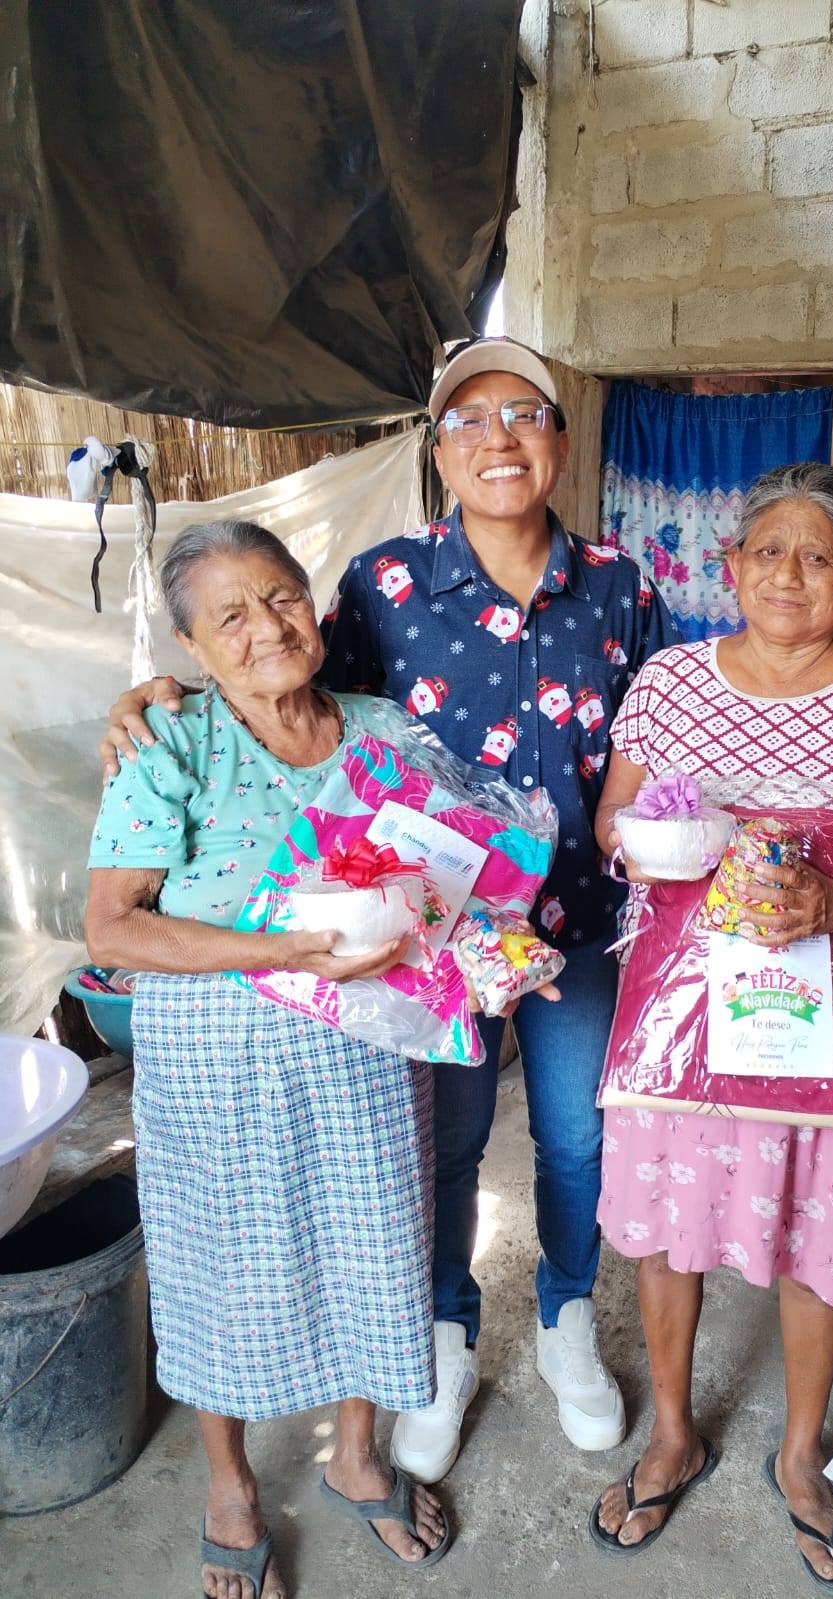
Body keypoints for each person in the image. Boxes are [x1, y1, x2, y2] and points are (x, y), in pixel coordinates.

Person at [97, 338, 678, 1484]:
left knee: (575, 1138)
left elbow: (665, 723)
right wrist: (157, 692)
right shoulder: (386, 583)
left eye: (525, 414)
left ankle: (565, 1318)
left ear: (560, 439)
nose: (499, 439)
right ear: (439, 452)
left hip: (571, 923)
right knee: (443, 1147)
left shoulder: (623, 586)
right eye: (470, 420)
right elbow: (284, 676)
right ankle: (445, 1334)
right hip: (424, 945)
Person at [588, 464, 833, 1588]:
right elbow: (613, 822)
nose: (789, 576)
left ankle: (801, 1457)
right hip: (677, 1023)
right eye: (768, 552)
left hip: (824, 1029)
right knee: (668, 1232)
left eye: (818, 558)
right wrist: (669, 844)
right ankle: (673, 1433)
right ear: (731, 564)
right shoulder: (670, 682)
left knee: (818, 1236)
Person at [85, 521, 451, 1599]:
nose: (266, 628)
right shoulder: (172, 743)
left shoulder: (383, 730)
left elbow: (444, 879)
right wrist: (283, 951)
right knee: (219, 1267)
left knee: (375, 1245)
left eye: (281, 596)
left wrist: (491, 950)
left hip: (368, 1046)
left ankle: (355, 1455)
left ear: (314, 601)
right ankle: (230, 1484)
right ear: (193, 647)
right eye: (230, 616)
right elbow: (113, 928)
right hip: (219, 1054)